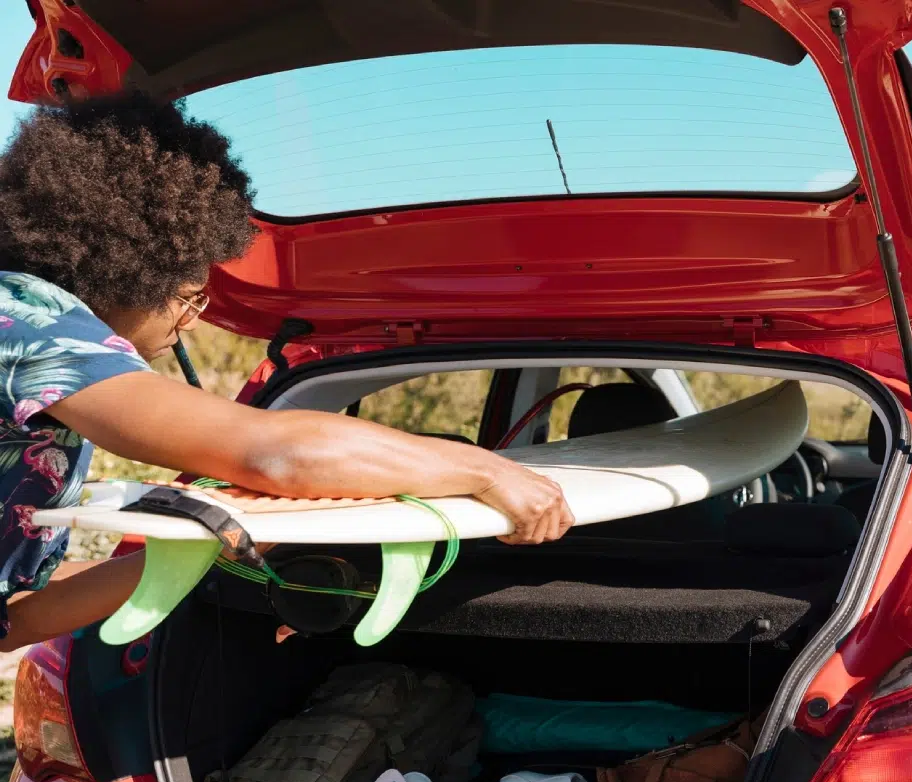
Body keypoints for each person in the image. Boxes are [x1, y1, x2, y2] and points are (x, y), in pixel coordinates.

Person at [0, 93, 574, 652]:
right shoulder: (29, 323)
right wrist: (487, 471)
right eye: (189, 297)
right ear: (124, 268)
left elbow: (18, 617)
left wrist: (224, 546)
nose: (192, 324)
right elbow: (275, 454)